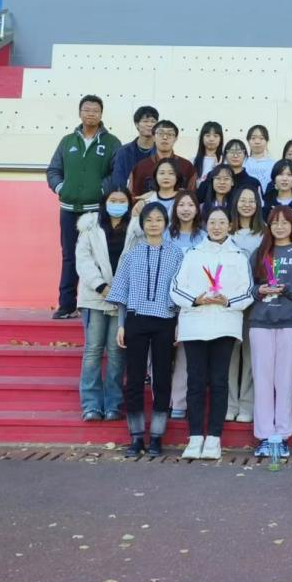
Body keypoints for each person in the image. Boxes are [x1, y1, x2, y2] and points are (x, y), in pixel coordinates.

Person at [171, 208, 254, 459]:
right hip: (195, 324)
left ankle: (214, 438)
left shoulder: (238, 255)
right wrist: (195, 300)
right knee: (195, 381)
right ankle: (195, 436)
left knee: (219, 381)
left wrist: (228, 301)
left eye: (222, 222)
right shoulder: (192, 253)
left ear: (230, 225)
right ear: (206, 225)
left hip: (224, 324)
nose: (217, 227)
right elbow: (176, 288)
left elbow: (247, 292)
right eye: (213, 222)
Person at [108, 203, 185, 457]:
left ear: (166, 223)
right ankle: (136, 437)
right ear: (142, 224)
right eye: (149, 220)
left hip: (165, 320)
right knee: (134, 379)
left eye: (158, 219)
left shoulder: (176, 253)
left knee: (162, 378)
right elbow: (122, 291)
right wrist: (121, 324)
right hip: (136, 319)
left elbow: (180, 292)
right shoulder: (132, 254)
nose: (153, 224)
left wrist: (179, 325)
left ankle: (157, 437)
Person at [46, 95, 121, 320]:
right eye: (87, 109)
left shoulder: (112, 142)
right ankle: (67, 304)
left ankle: (95, 303)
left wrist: (101, 190)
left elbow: (116, 173)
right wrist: (61, 188)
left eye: (95, 110)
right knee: (69, 255)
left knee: (97, 255)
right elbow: (53, 170)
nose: (91, 114)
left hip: (96, 210)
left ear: (101, 114)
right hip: (69, 208)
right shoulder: (68, 141)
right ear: (80, 113)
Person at [248, 207, 292, 459]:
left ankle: (281, 436)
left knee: (285, 382)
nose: (280, 226)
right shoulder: (260, 252)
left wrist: (287, 289)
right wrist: (260, 290)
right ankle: (264, 436)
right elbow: (248, 288)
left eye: (285, 222)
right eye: (275, 222)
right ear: (269, 226)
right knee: (262, 381)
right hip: (261, 322)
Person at [74, 186, 134, 421]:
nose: (117, 204)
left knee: (117, 352)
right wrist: (101, 286)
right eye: (113, 200)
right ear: (105, 202)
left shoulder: (136, 229)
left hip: (122, 298)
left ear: (129, 204)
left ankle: (113, 404)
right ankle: (91, 404)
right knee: (93, 350)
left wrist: (120, 290)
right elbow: (83, 260)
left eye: (122, 200)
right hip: (94, 297)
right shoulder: (90, 227)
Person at [227, 187, 265, 423]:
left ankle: (247, 405)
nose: (247, 204)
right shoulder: (225, 229)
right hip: (228, 302)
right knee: (229, 355)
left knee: (251, 355)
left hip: (254, 301)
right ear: (235, 203)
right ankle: (230, 404)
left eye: (252, 201)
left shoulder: (265, 232)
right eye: (243, 200)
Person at [165, 189, 204, 422]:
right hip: (164, 301)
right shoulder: (165, 234)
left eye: (190, 205)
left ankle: (179, 401)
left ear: (197, 209)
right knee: (161, 353)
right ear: (174, 209)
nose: (186, 209)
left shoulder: (204, 237)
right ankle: (162, 400)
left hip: (192, 302)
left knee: (183, 353)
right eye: (181, 205)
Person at [129, 120, 196, 195]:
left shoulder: (187, 166)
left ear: (175, 138)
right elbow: (132, 196)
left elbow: (192, 196)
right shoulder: (141, 167)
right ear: (153, 137)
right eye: (160, 133)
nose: (165, 137)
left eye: (170, 134)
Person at [103, 105, 159, 195]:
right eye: (145, 121)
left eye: (153, 121)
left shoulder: (161, 151)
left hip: (153, 198)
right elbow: (118, 179)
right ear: (137, 124)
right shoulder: (123, 151)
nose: (150, 125)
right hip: (127, 198)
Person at [262, 159, 292, 232]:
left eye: (289, 175)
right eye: (280, 174)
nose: (285, 179)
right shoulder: (266, 204)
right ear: (274, 179)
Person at [245, 124, 276, 191]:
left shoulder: (274, 164)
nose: (257, 142)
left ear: (267, 141)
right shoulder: (243, 163)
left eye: (261, 138)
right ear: (248, 141)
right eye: (253, 138)